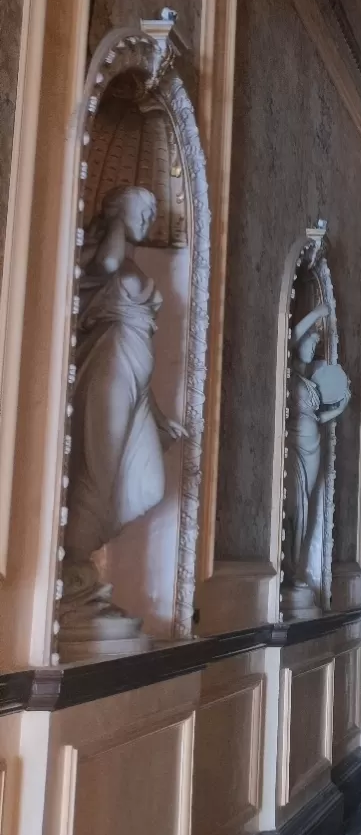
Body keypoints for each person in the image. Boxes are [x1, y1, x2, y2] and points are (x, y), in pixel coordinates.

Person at [62, 185, 185, 622]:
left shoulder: (131, 262)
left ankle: (76, 557)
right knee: (98, 474)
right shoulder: (106, 253)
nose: (150, 218)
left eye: (154, 212)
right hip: (108, 371)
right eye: (143, 209)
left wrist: (155, 416)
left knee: (149, 485)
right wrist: (115, 220)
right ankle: (71, 571)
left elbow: (144, 353)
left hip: (134, 380)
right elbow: (107, 264)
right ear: (115, 210)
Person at [284, 301, 350, 599]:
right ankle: (287, 566)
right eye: (309, 344)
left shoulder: (311, 383)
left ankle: (297, 567)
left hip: (314, 447)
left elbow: (319, 418)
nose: (311, 350)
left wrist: (341, 406)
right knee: (294, 505)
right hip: (294, 445)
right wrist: (317, 314)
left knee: (307, 506)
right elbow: (293, 333)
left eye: (315, 346)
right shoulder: (289, 374)